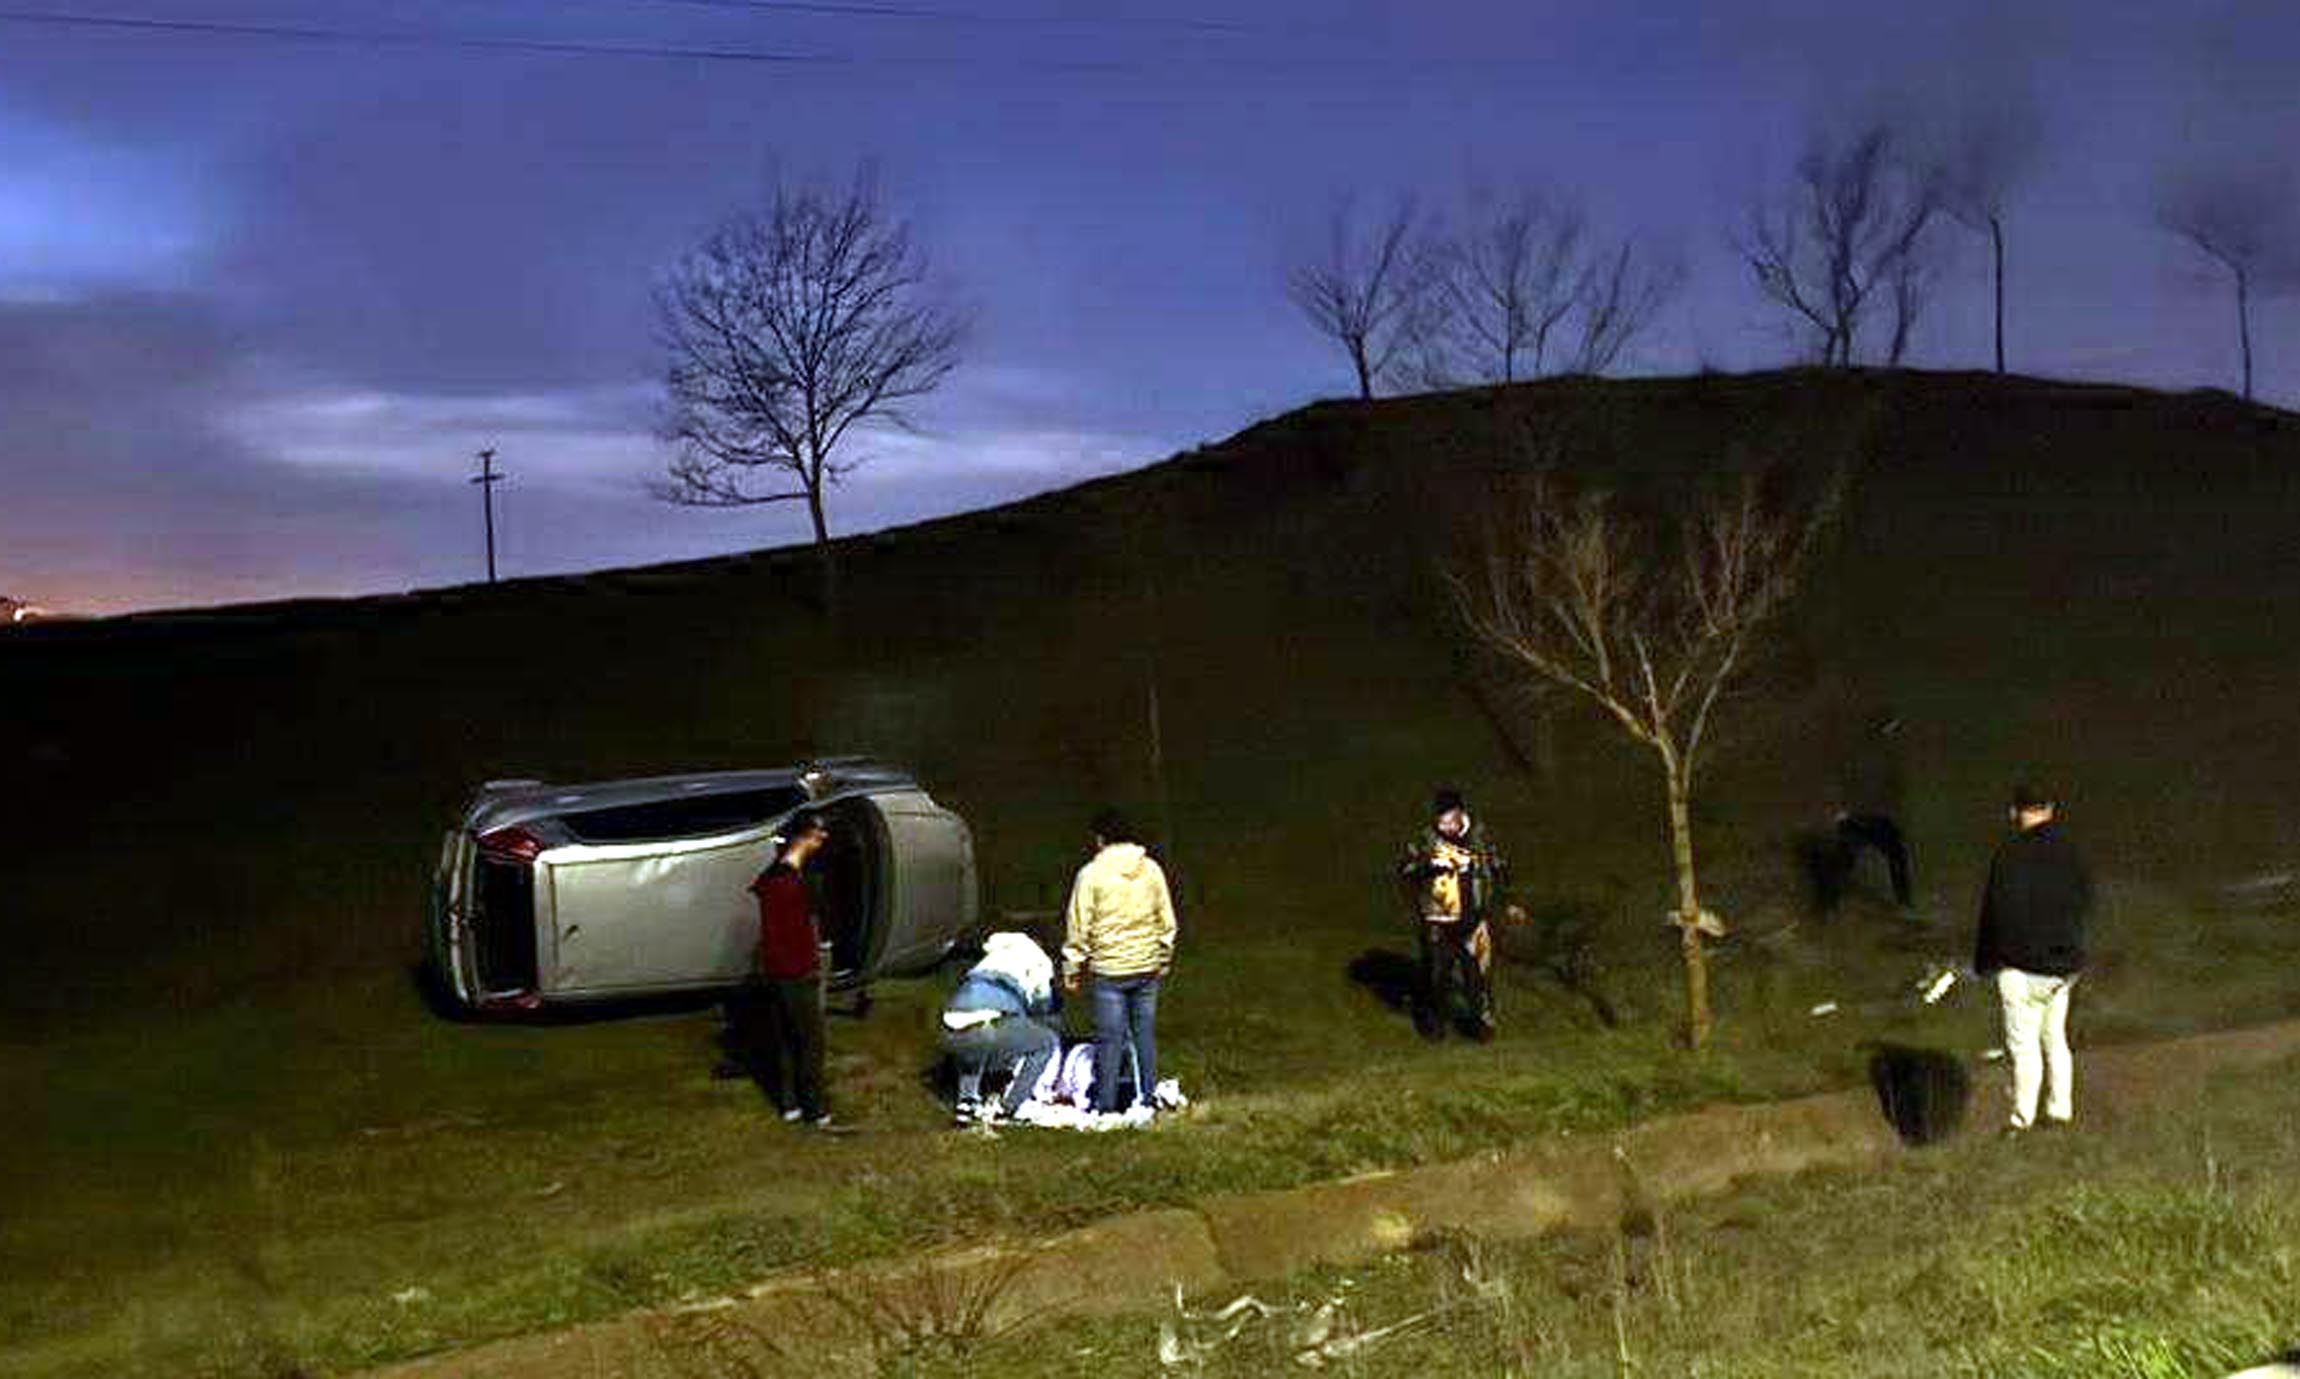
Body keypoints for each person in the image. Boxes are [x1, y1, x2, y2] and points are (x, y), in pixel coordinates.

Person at [1973, 784, 2093, 1134]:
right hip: (2064, 965)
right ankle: (2060, 1110)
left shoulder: (2010, 854)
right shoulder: (2072, 851)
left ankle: (2021, 1119)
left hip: (2022, 966)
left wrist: (1986, 963)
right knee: (2055, 1037)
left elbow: (1995, 911)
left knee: (2023, 1046)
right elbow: (2086, 900)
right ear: (2051, 808)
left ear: (2015, 812)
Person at [1061, 809, 1177, 1118]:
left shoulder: (1090, 875)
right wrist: (1162, 959)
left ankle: (1106, 1106)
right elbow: (1166, 921)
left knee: (1109, 1040)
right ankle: (1148, 1099)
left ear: (1100, 838)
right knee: (1144, 1036)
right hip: (1146, 967)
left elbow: (1079, 927)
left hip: (1109, 970)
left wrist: (1072, 969)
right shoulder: (1151, 870)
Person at [743, 810, 850, 1133]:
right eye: (818, 834)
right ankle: (815, 1111)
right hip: (795, 972)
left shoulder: (776, 877)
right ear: (803, 837)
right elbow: (791, 932)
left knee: (789, 1040)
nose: (823, 839)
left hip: (779, 971)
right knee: (810, 1043)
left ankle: (790, 1105)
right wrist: (809, 966)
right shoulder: (787, 883)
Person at [1399, 787, 1508, 1042]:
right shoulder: (1425, 841)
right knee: (1438, 978)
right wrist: (1429, 866)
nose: (1445, 826)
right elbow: (1406, 870)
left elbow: (1500, 869)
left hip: (1475, 920)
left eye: (1450, 820)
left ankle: (1482, 1027)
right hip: (1439, 922)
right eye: (1440, 821)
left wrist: (1509, 901)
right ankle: (1436, 1027)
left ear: (1461, 815)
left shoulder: (1481, 839)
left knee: (1478, 978)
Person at [941, 932, 1063, 1127]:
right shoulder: (1039, 961)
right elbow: (1043, 1007)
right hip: (993, 1027)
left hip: (949, 1027)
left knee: (974, 1037)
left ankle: (967, 1102)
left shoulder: (993, 956)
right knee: (1045, 1043)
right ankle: (1009, 1109)